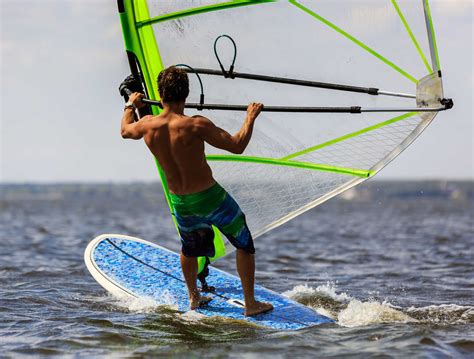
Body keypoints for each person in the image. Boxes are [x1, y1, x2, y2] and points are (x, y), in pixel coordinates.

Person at [120, 66, 273, 316]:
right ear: (186, 95)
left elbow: (125, 130)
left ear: (160, 96)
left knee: (189, 248)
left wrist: (131, 105)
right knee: (244, 242)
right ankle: (251, 304)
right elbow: (237, 145)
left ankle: (193, 297)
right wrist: (250, 117)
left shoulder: (147, 125)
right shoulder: (195, 125)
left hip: (180, 202)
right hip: (210, 198)